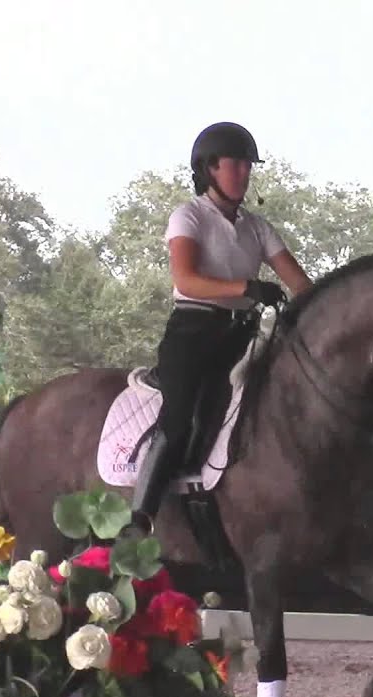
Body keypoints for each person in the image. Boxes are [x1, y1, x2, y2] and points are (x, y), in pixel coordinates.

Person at [134, 121, 313, 524]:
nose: (246, 173)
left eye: (249, 165)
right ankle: (141, 517)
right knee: (180, 419)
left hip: (243, 333)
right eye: (237, 164)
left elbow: (300, 283)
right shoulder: (189, 217)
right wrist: (247, 287)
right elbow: (186, 280)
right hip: (194, 333)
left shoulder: (257, 227)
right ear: (210, 168)